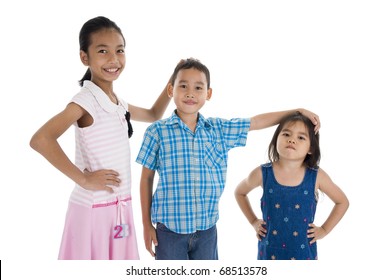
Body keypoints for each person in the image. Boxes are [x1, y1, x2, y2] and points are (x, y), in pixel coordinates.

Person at [135, 58, 321, 260]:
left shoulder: (218, 129)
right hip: (169, 230)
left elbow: (256, 122)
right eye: (183, 86)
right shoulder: (156, 132)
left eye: (198, 87)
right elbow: (146, 179)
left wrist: (296, 111)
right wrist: (146, 224)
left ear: (208, 93)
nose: (190, 93)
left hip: (207, 230)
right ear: (171, 89)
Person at [29, 16, 171, 260]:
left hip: (119, 209)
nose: (114, 59)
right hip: (93, 211)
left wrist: (174, 81)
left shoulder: (118, 104)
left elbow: (154, 114)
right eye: (103, 51)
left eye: (120, 50)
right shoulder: (85, 101)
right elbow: (41, 139)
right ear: (85, 57)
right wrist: (83, 179)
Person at [235, 112, 349, 260]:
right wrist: (253, 221)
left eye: (301, 137)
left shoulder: (316, 176)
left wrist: (324, 230)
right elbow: (239, 192)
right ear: (276, 140)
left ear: (311, 148)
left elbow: (342, 202)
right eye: (286, 134)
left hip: (303, 254)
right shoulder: (262, 173)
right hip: (269, 253)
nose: (292, 140)